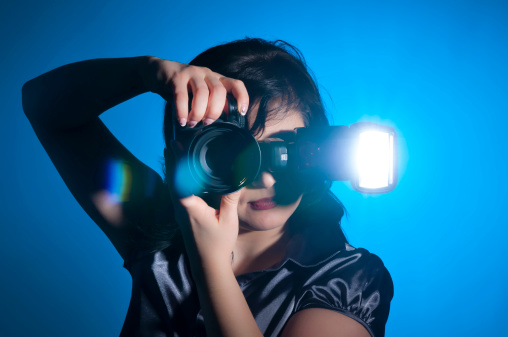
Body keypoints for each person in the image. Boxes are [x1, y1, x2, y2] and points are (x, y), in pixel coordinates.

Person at [22, 38, 393, 337]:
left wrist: (212, 264)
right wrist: (144, 73)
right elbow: (45, 108)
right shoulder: (157, 221)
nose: (265, 179)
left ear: (319, 148)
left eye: (287, 152)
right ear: (192, 153)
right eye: (236, 155)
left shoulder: (350, 279)